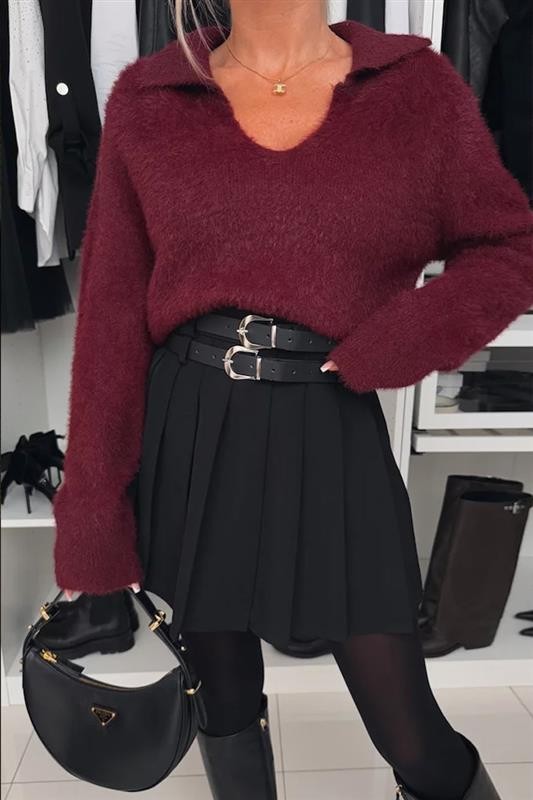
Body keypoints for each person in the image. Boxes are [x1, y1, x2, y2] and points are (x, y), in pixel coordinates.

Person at [52, 1, 533, 798]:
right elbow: (110, 313)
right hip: (190, 428)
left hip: (327, 420)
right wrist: (93, 505)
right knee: (222, 702)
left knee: (408, 731)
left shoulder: (412, 88)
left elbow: (507, 246)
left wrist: (397, 340)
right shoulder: (151, 98)